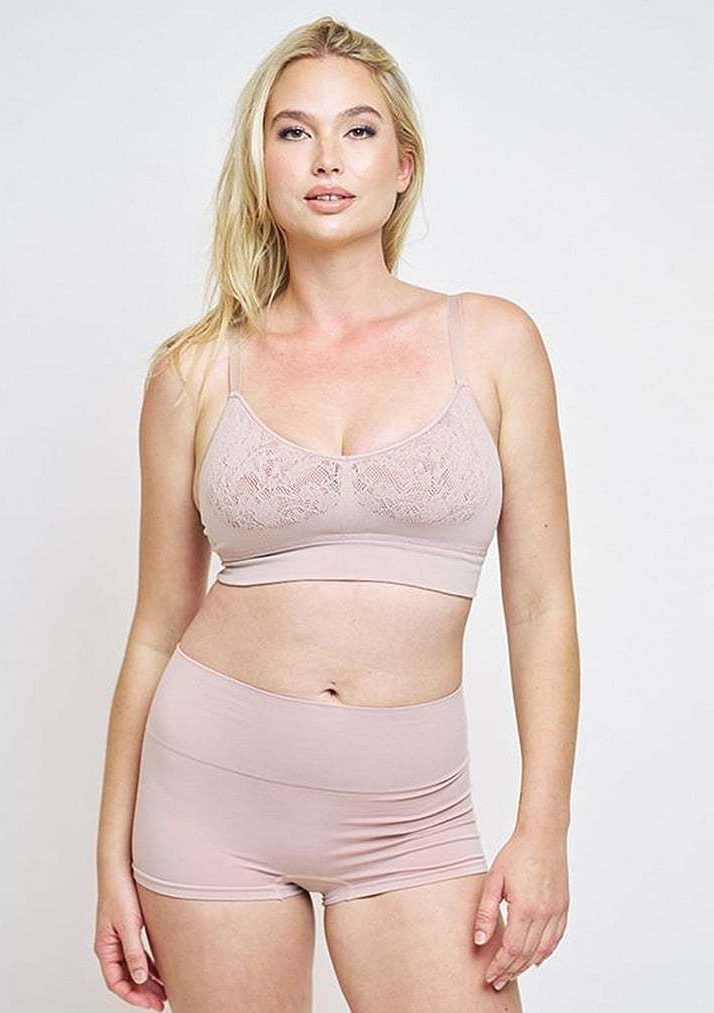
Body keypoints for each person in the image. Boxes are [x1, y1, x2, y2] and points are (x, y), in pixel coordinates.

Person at [94, 16, 579, 1013]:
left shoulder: (493, 342)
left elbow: (541, 608)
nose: (326, 158)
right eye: (293, 131)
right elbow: (153, 627)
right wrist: (108, 859)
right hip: (208, 803)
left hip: (412, 820)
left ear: (403, 166)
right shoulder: (194, 369)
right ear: (260, 165)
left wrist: (544, 829)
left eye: (358, 130)